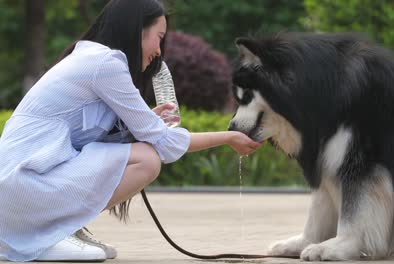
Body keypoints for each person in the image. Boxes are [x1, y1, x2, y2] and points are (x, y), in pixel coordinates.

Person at [0, 0, 262, 262]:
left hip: (18, 188)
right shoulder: (106, 64)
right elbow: (164, 143)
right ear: (137, 30)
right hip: (22, 185)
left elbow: (84, 140)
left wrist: (141, 124)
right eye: (159, 38)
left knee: (142, 152)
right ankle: (49, 235)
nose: (159, 51)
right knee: (146, 159)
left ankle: (60, 229)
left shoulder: (91, 58)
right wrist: (228, 137)